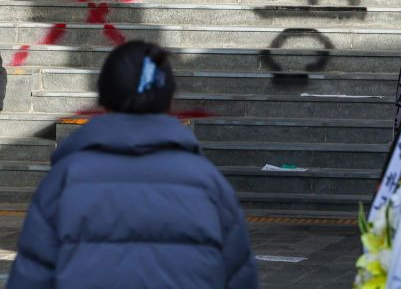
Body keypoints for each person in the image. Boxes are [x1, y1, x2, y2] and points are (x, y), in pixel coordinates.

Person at [8, 40, 259, 288]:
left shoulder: (64, 180)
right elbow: (239, 277)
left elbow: (31, 277)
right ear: (169, 100)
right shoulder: (209, 183)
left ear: (103, 100)